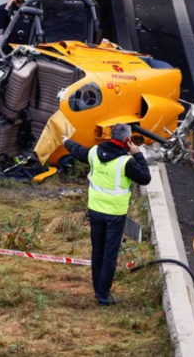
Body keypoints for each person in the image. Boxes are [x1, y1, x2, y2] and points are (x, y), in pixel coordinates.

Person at [61, 123, 152, 306]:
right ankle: (103, 295)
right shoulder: (126, 162)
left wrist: (66, 141)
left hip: (95, 210)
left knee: (98, 251)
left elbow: (78, 151)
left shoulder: (94, 153)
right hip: (115, 214)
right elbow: (145, 178)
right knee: (110, 254)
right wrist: (138, 154)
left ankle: (98, 290)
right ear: (127, 140)